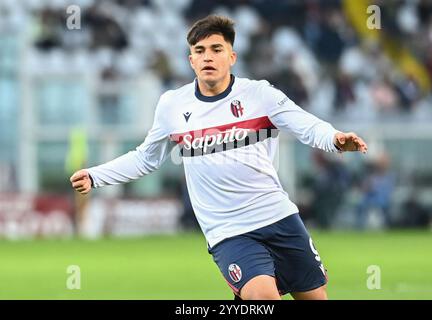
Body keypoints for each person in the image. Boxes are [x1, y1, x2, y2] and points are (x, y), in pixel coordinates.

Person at [70, 15, 368, 300]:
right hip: (228, 231)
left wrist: (335, 139)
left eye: (216, 49)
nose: (207, 57)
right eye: (199, 51)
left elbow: (307, 125)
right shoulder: (172, 105)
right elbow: (146, 158)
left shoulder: (260, 95)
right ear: (191, 60)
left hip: (278, 217)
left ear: (232, 57)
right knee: (263, 295)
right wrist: (97, 175)